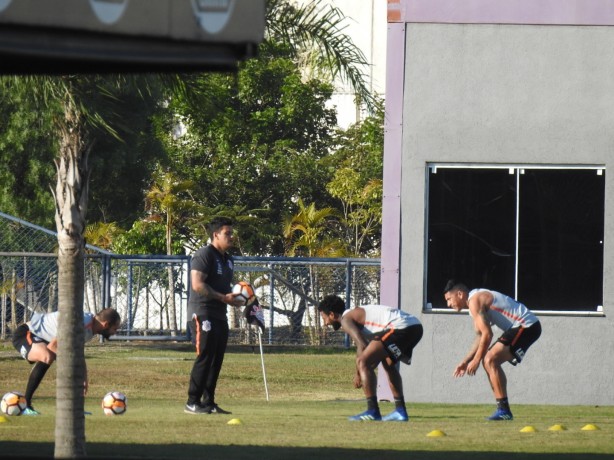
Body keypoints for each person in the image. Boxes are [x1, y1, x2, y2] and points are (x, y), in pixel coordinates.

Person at [443, 280, 542, 421]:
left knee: (489, 360)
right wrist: (466, 362)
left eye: (449, 299)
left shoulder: (474, 301)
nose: (448, 304)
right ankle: (503, 409)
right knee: (490, 361)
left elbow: (488, 335)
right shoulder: (473, 303)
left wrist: (477, 360)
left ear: (459, 294)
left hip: (526, 325)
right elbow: (480, 337)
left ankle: (504, 410)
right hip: (522, 326)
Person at [318, 294, 423, 422]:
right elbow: (364, 347)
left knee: (362, 361)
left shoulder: (346, 319)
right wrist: (365, 367)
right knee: (388, 364)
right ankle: (400, 411)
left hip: (401, 326)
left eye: (324, 318)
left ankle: (372, 411)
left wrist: (359, 373)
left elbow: (362, 344)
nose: (325, 323)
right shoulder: (357, 316)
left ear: (332, 314)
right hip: (415, 326)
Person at [185, 216, 245, 415]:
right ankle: (192, 402)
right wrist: (223, 298)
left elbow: (224, 288)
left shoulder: (228, 260)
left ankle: (208, 402)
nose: (231, 236)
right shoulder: (204, 254)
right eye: (227, 233)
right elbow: (197, 285)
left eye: (232, 233)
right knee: (205, 356)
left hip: (220, 314)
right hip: (202, 312)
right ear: (215, 234)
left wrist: (237, 299)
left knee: (217, 358)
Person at [11, 307, 121, 415]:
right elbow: (53, 346)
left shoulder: (89, 329)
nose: (114, 333)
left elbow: (78, 354)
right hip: (27, 333)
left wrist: (84, 377)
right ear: (106, 325)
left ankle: (74, 408)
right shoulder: (80, 323)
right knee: (47, 356)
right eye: (115, 329)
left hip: (44, 339)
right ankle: (25, 405)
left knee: (61, 361)